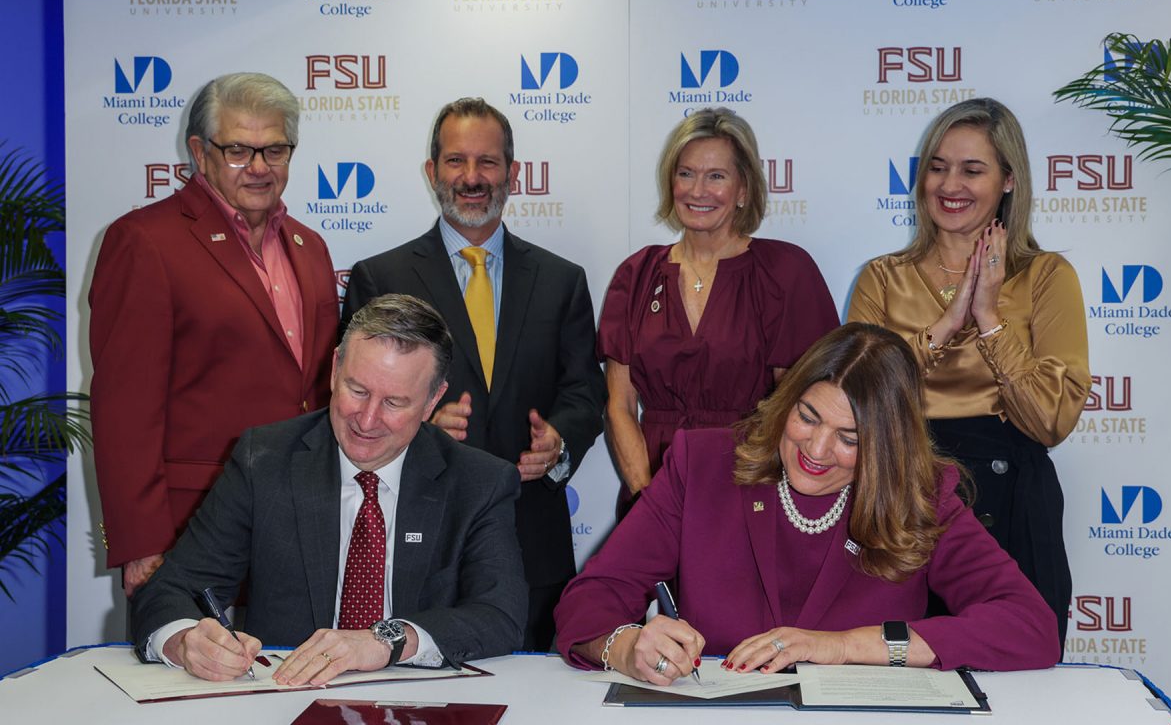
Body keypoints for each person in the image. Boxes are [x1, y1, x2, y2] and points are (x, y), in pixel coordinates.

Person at [554, 323, 1061, 683]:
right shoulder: (703, 463)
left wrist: (842, 647)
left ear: (889, 447)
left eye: (851, 438)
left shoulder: (923, 494)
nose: (816, 451)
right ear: (788, 399)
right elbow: (590, 599)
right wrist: (624, 647)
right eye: (808, 416)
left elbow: (1030, 627)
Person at [131, 294, 527, 684]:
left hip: (420, 705)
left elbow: (499, 615)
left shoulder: (479, 482)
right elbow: (172, 588)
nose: (367, 420)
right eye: (357, 390)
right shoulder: (265, 460)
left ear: (432, 401)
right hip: (285, 697)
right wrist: (184, 642)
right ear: (336, 368)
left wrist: (385, 640)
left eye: (394, 402)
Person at [340, 98, 605, 651]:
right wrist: (416, 425)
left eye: (488, 162)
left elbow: (585, 392)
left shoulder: (563, 280)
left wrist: (560, 442)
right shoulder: (379, 277)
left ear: (512, 172)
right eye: (456, 161)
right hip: (414, 541)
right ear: (431, 171)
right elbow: (351, 405)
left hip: (533, 544)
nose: (472, 177)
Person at [847, 98, 1088, 647]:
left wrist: (988, 318)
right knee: (898, 675)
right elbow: (856, 399)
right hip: (903, 493)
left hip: (1012, 500)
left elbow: (1051, 420)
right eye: (937, 166)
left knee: (1020, 667)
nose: (949, 183)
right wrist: (946, 323)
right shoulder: (882, 277)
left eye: (971, 169)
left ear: (1008, 179)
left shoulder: (1047, 275)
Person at [89, 71, 340, 596]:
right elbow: (125, 409)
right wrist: (142, 543)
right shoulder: (144, 241)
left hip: (304, 526)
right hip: (192, 529)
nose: (258, 167)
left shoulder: (310, 246)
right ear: (200, 152)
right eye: (238, 151)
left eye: (275, 150)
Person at [598, 107, 837, 516]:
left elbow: (800, 406)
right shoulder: (636, 274)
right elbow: (619, 404)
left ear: (743, 189)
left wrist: (741, 493)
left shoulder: (785, 272)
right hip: (651, 496)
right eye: (686, 173)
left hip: (750, 493)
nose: (697, 190)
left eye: (716, 176)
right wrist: (649, 499)